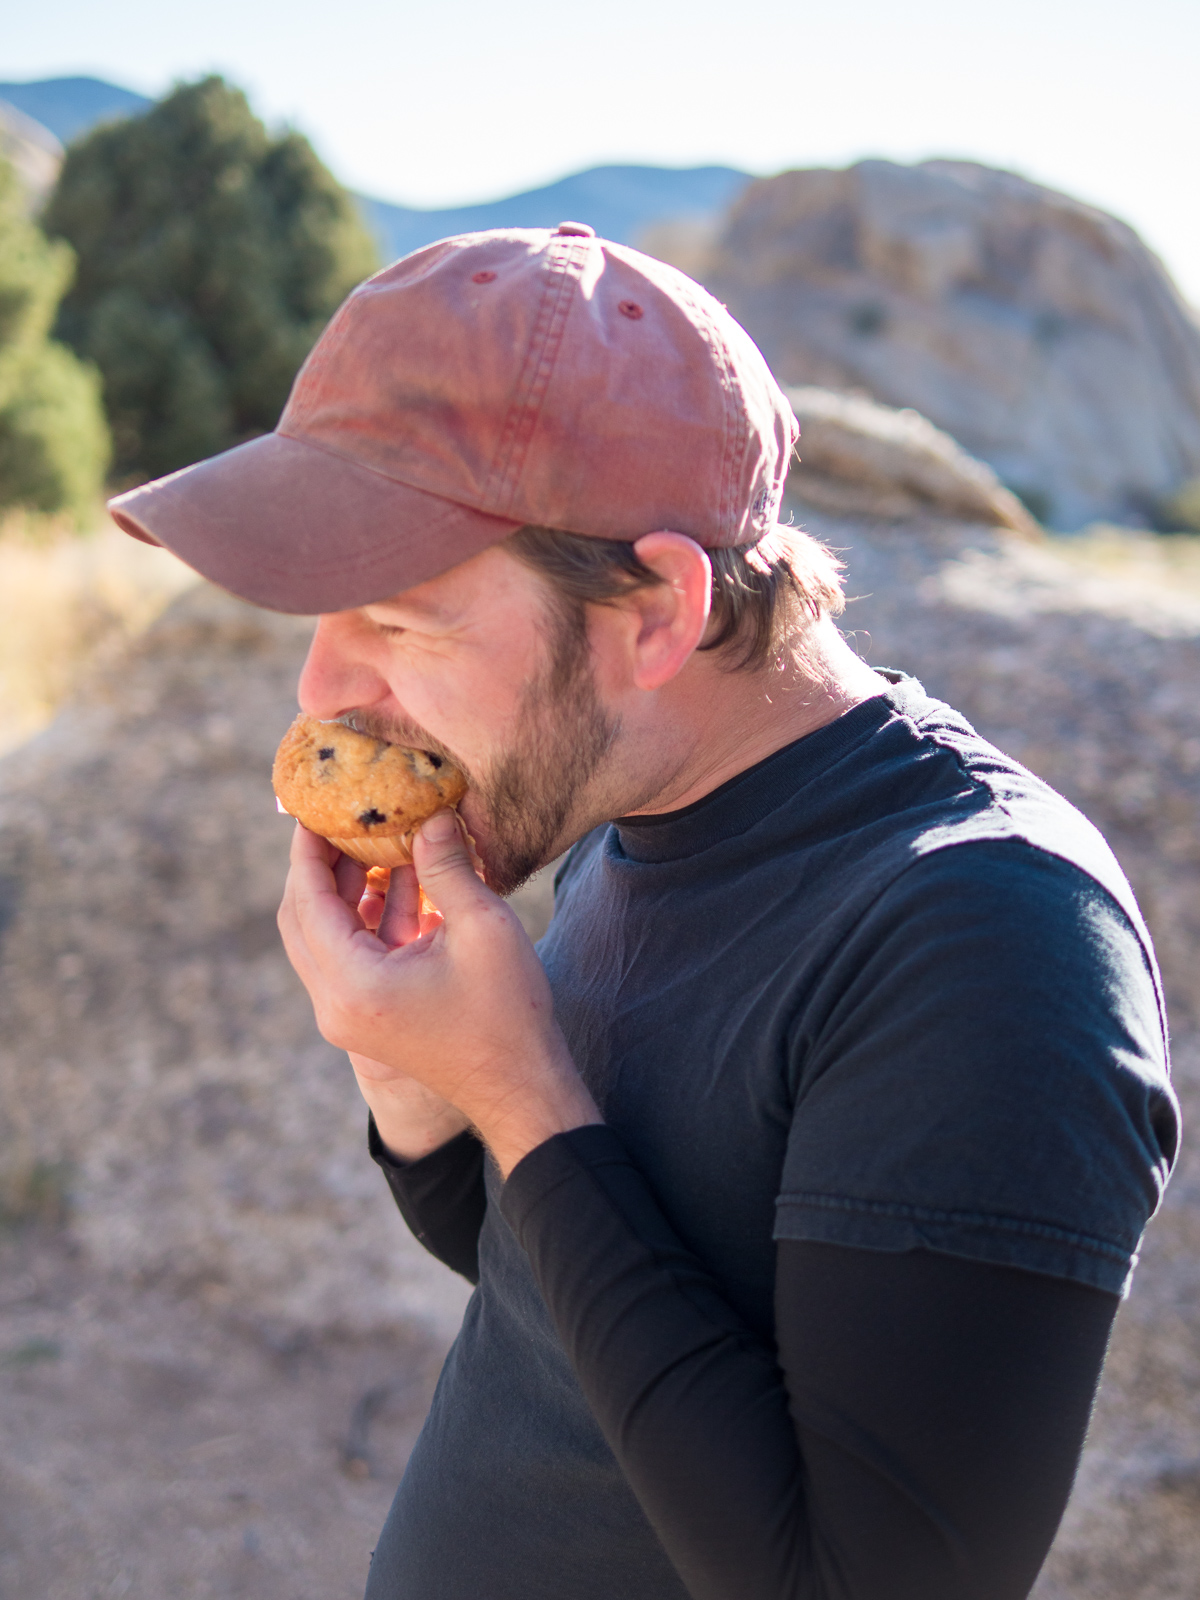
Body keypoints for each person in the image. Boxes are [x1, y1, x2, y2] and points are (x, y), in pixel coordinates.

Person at [109, 223, 1179, 1600]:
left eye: (400, 617)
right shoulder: (633, 795)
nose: (323, 687)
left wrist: (520, 1091)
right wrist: (413, 1076)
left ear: (659, 610)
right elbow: (555, 1287)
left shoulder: (990, 942)